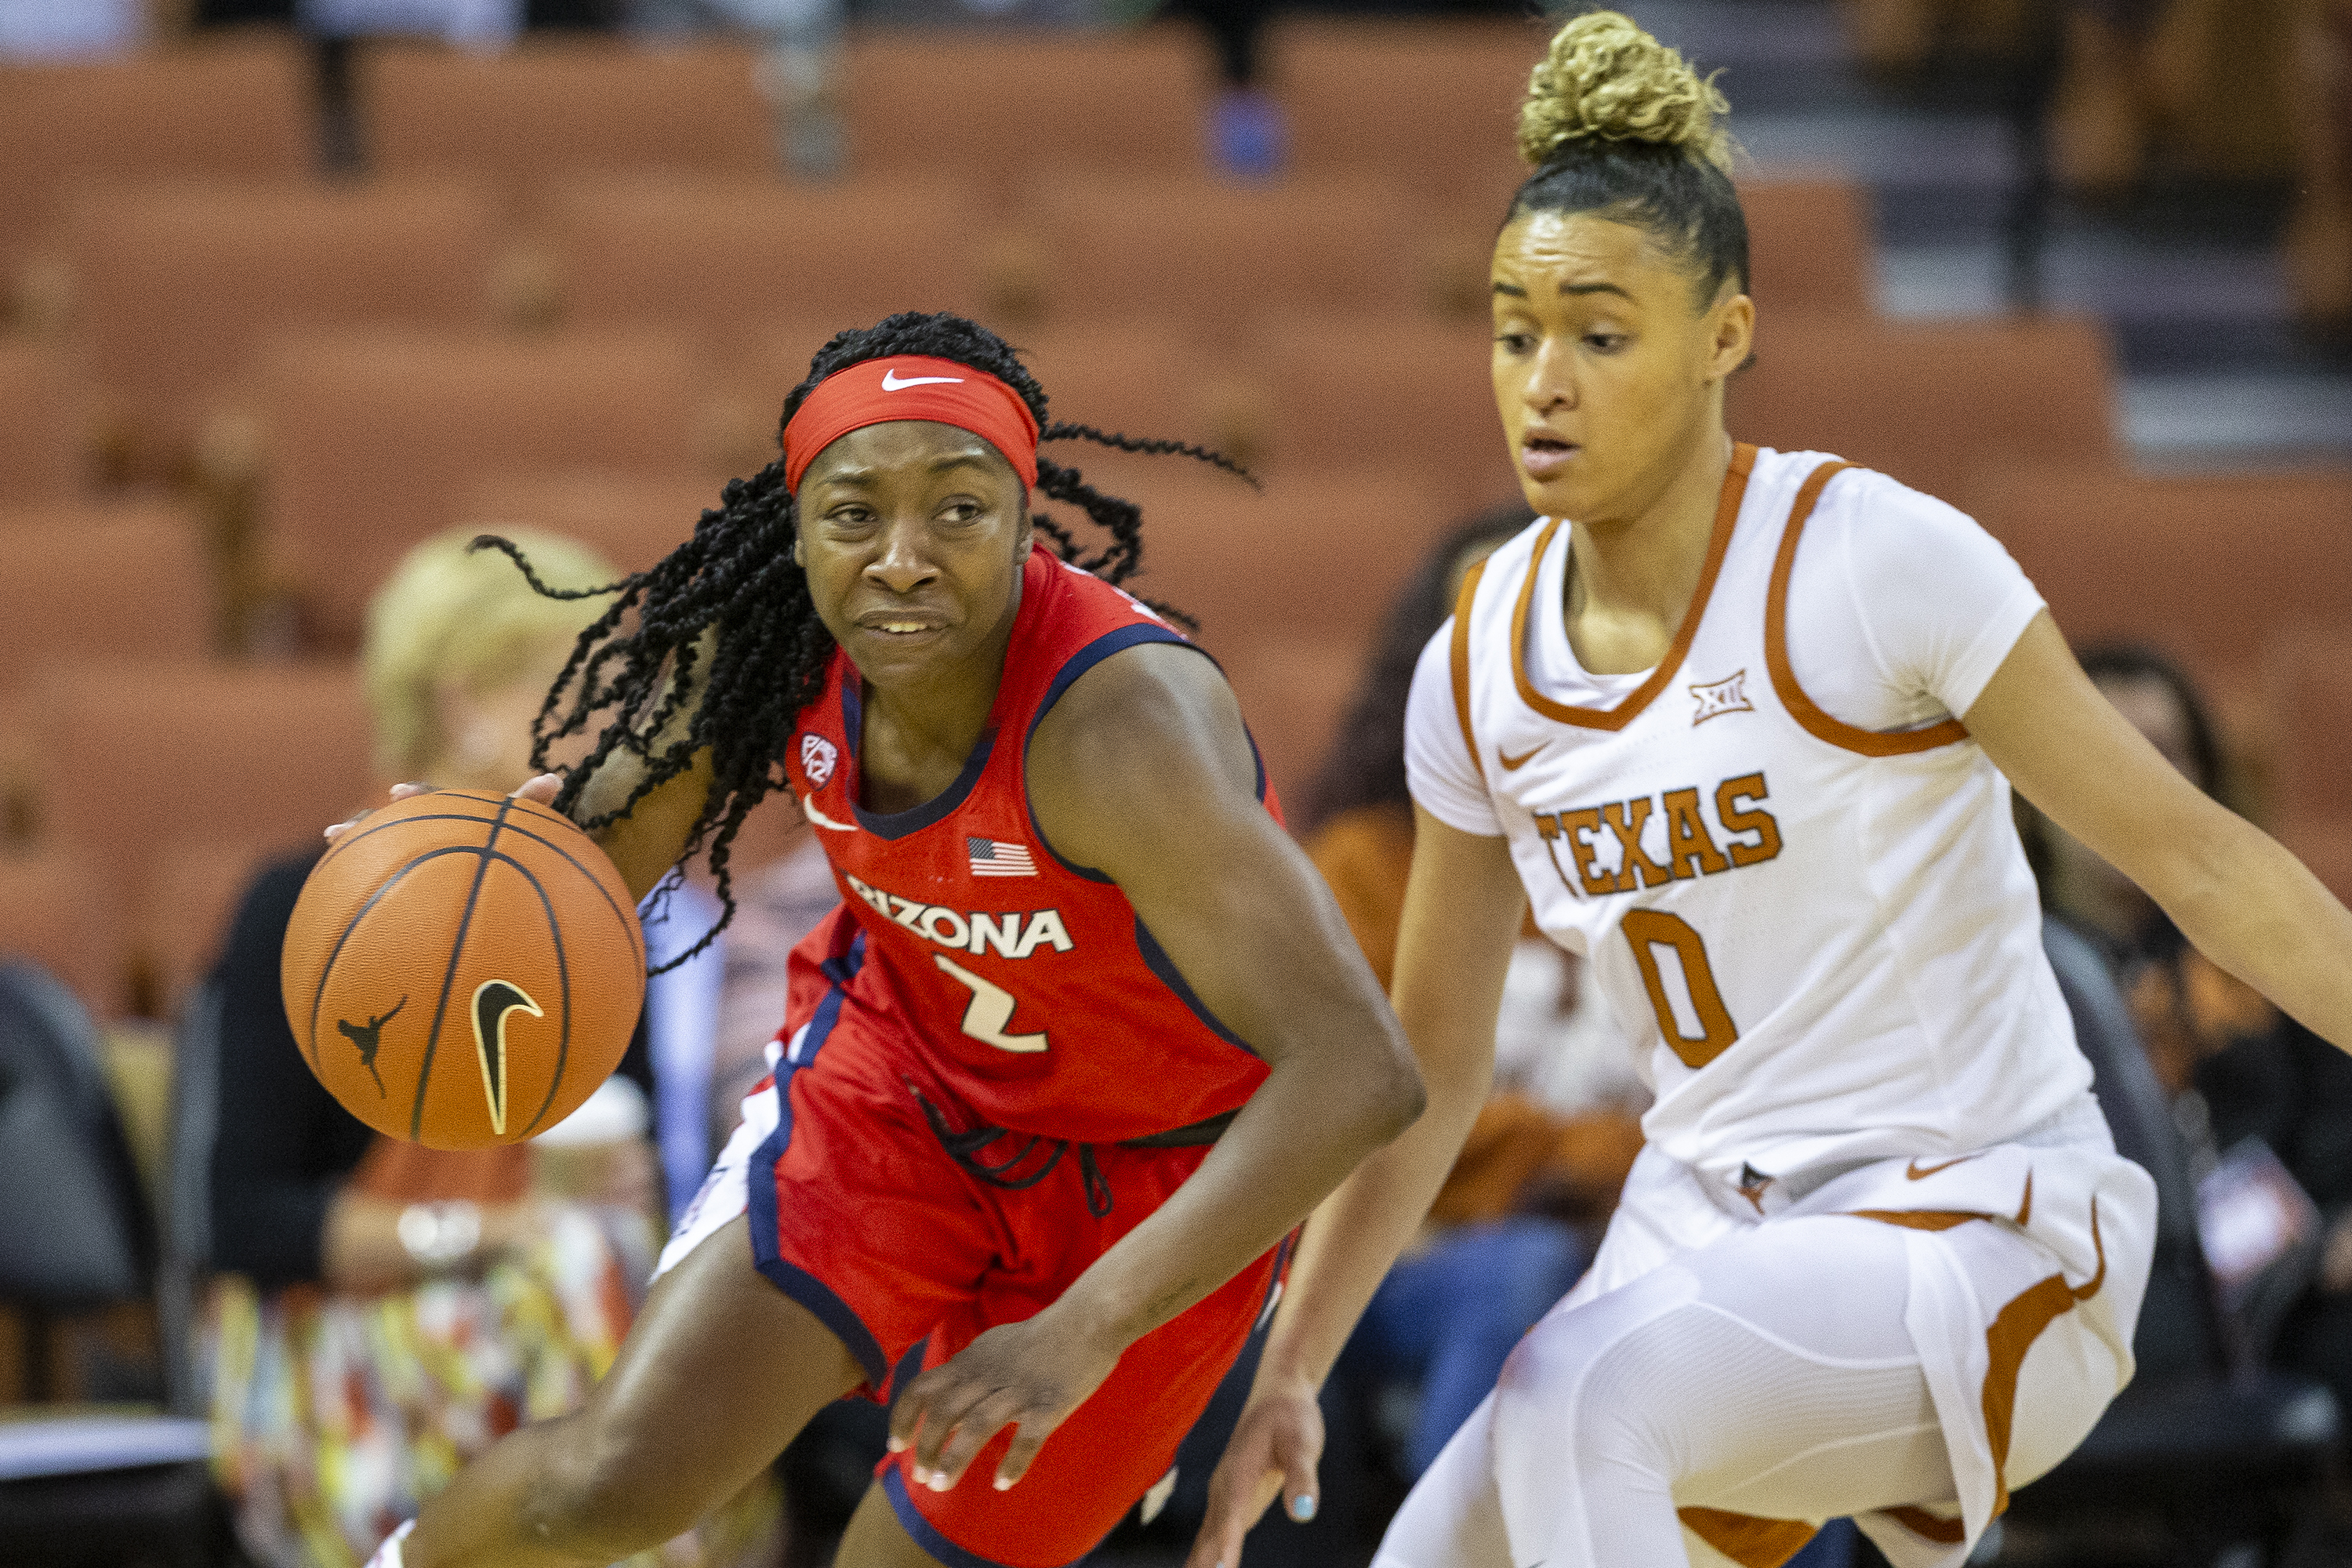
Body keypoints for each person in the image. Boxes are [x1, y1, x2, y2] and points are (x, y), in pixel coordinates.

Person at [1188, 14, 2352, 1568]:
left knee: (1581, 1393)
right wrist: (1292, 1368)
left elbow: (2202, 864)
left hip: (1990, 1215)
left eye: (1600, 336)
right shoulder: (1478, 660)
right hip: (1712, 1222)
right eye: (1514, 333)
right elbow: (1433, 1069)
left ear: (1725, 335)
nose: (1543, 382)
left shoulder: (1871, 561)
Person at [354, 310, 1424, 1568]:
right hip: (899, 1091)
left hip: (1151, 1183)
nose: (903, 560)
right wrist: (451, 888)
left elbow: (1361, 1068)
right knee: (613, 1479)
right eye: (855, 514)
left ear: (1023, 521)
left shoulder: (1118, 727)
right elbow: (588, 868)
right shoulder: (772, 643)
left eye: (958, 510)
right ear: (800, 530)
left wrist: (1087, 1326)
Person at [205, 528, 674, 1568]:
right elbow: (246, 1222)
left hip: (546, 1327)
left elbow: (630, 1160)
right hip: (350, 1346)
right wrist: (488, 1233)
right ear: (465, 703)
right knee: (577, 1274)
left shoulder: (587, 909)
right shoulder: (305, 906)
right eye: (579, 687)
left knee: (614, 1267)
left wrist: (630, 1187)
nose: (609, 723)